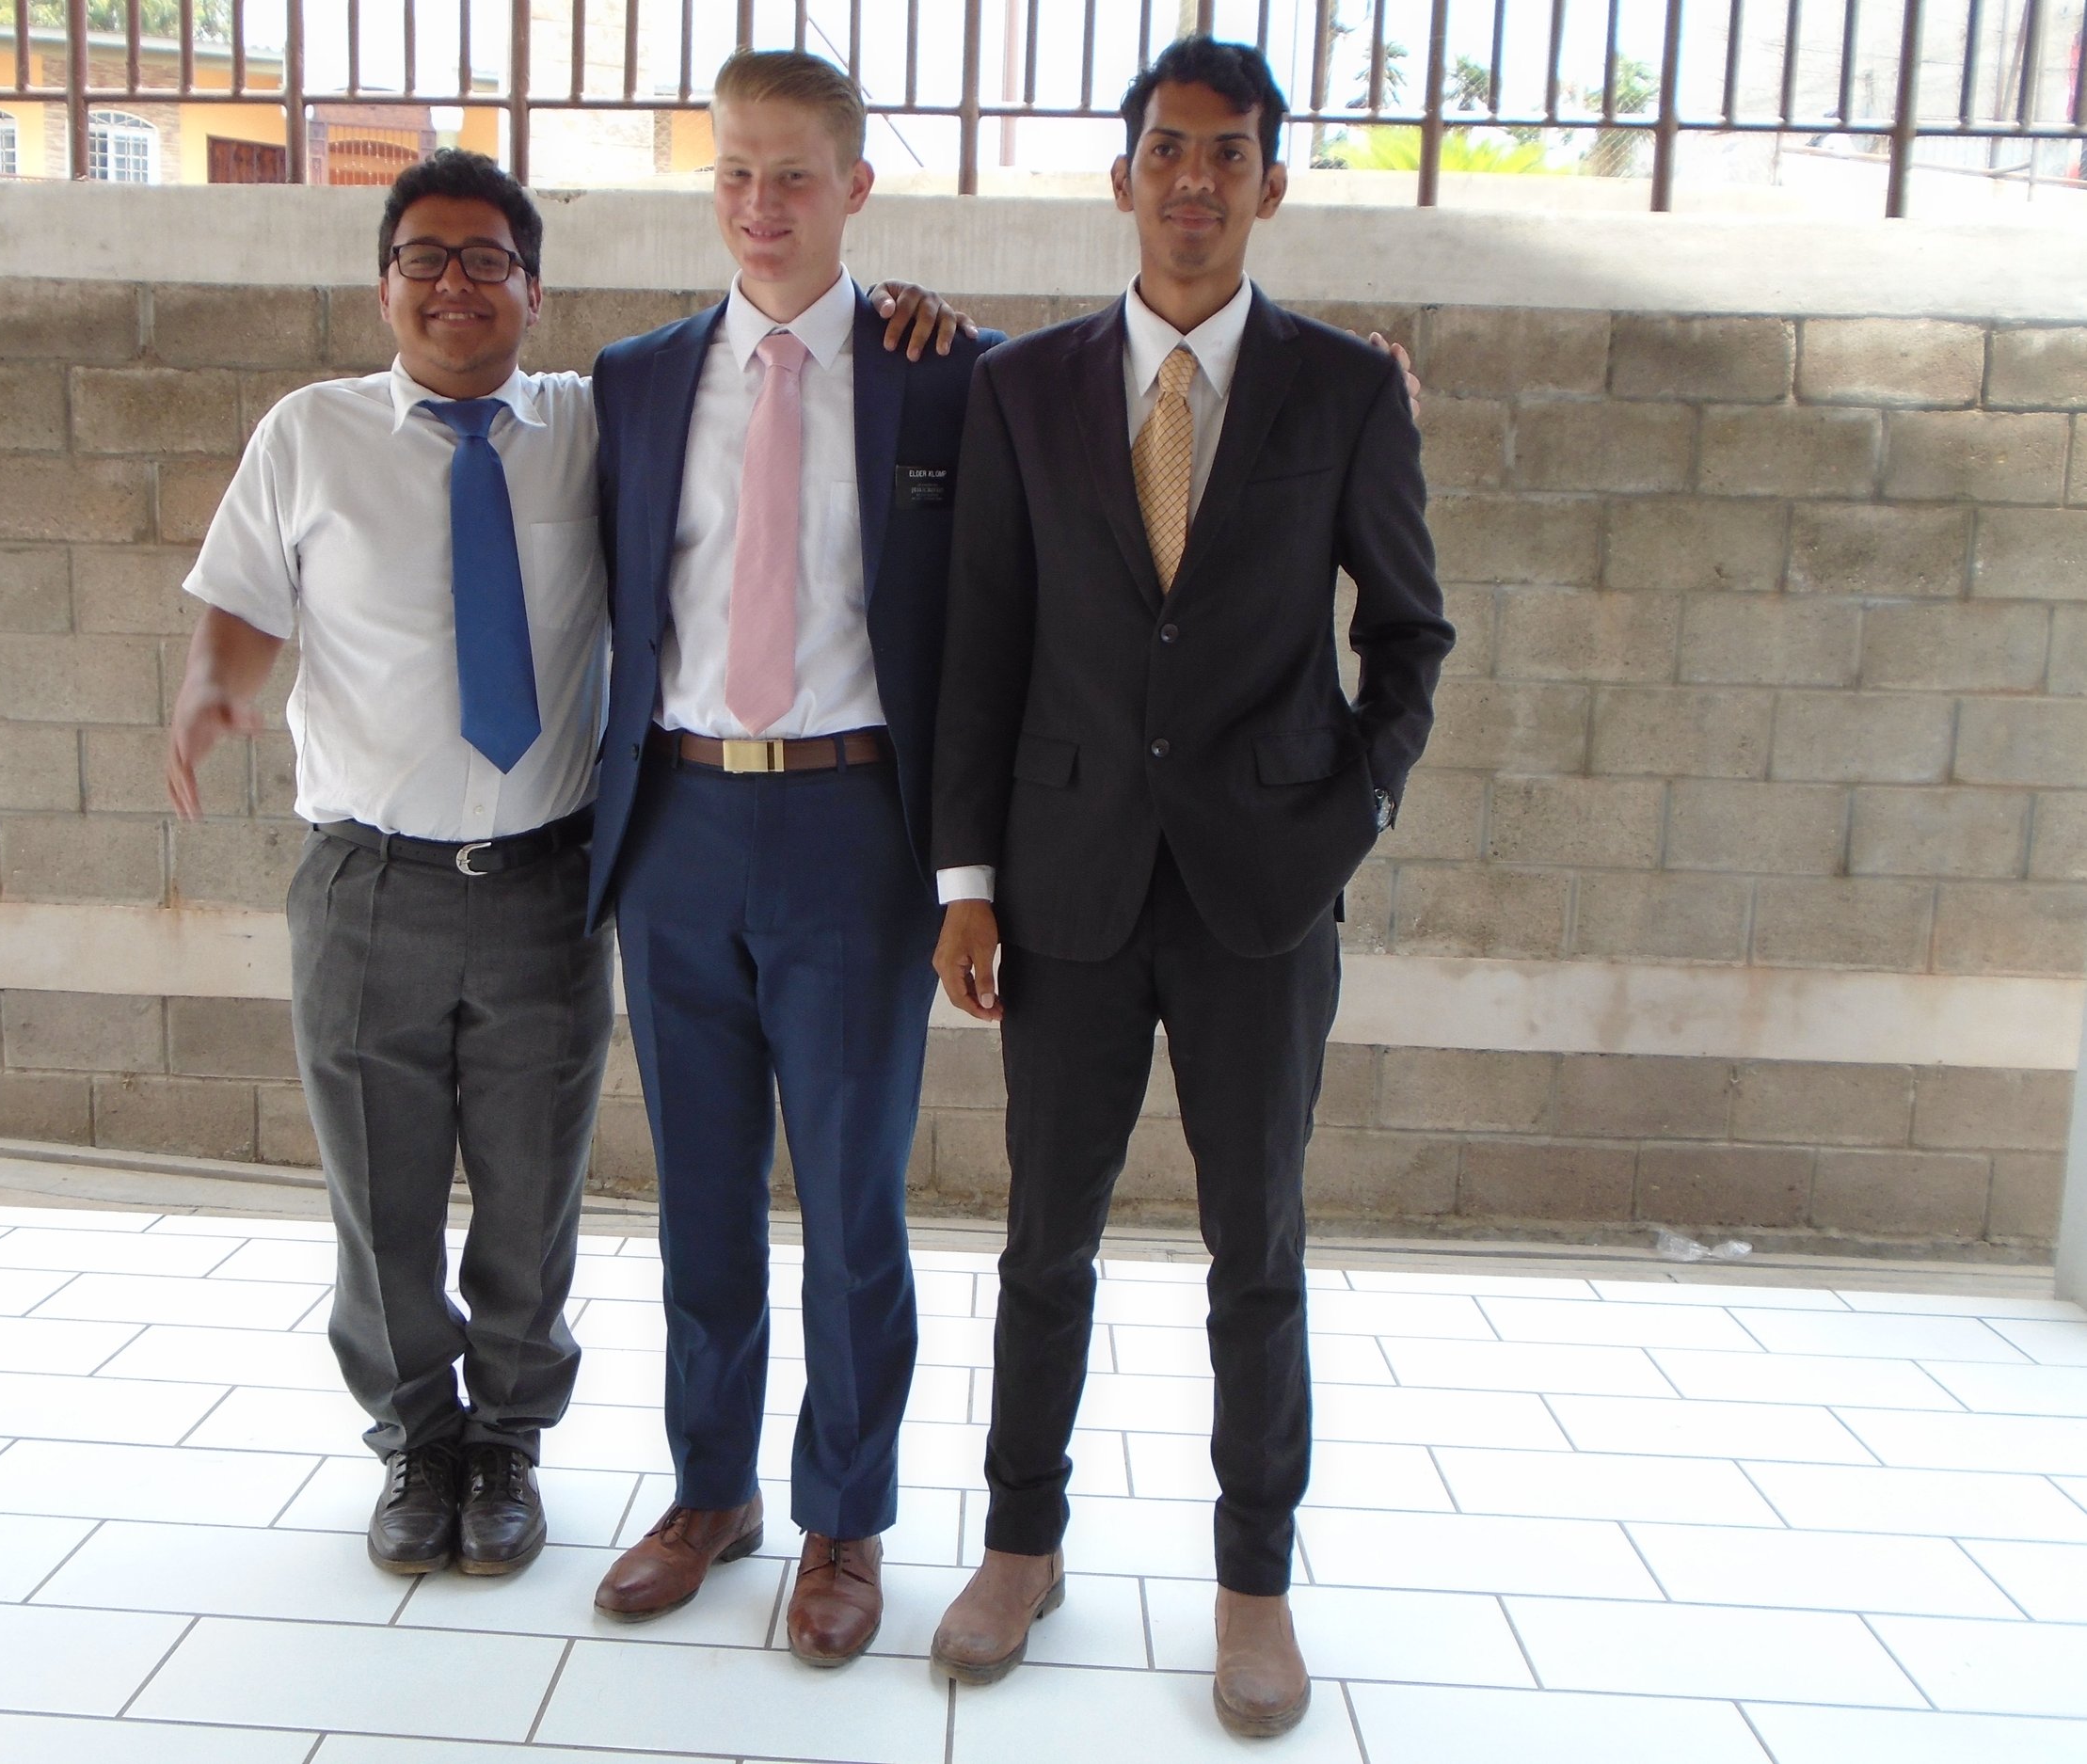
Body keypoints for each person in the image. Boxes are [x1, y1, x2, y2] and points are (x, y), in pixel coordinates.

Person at [164, 149, 961, 1581]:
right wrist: (212, 689)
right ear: (384, 282)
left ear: (534, 287)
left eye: (486, 259)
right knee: (382, 1194)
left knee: (534, 1195)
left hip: (549, 878)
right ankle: (420, 1440)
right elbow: (239, 606)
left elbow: (772, 386)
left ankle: (514, 1442)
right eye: (425, 258)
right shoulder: (308, 434)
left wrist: (899, 309)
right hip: (365, 882)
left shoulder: (603, 419)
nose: (454, 285)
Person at [924, 38, 1453, 1738]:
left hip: (1264, 897)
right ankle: (1021, 1546)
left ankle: (1253, 1588)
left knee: (1259, 1252)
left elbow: (1410, 635)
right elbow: (982, 646)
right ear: (1125, 174)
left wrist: (1349, 807)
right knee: (1044, 1245)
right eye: (1168, 149)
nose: (1195, 181)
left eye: (1230, 154)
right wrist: (968, 882)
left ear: (1271, 185)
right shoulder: (1026, 391)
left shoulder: (1344, 391)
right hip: (1067, 885)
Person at [581, 50, 1003, 1665]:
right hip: (678, 824)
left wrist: (1348, 364)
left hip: (852, 830)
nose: (761, 207)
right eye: (735, 174)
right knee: (697, 1196)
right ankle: (710, 1491)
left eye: (795, 177)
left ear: (856, 192)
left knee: (849, 1200)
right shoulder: (633, 380)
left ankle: (844, 1517)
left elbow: (1092, 412)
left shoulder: (938, 373)